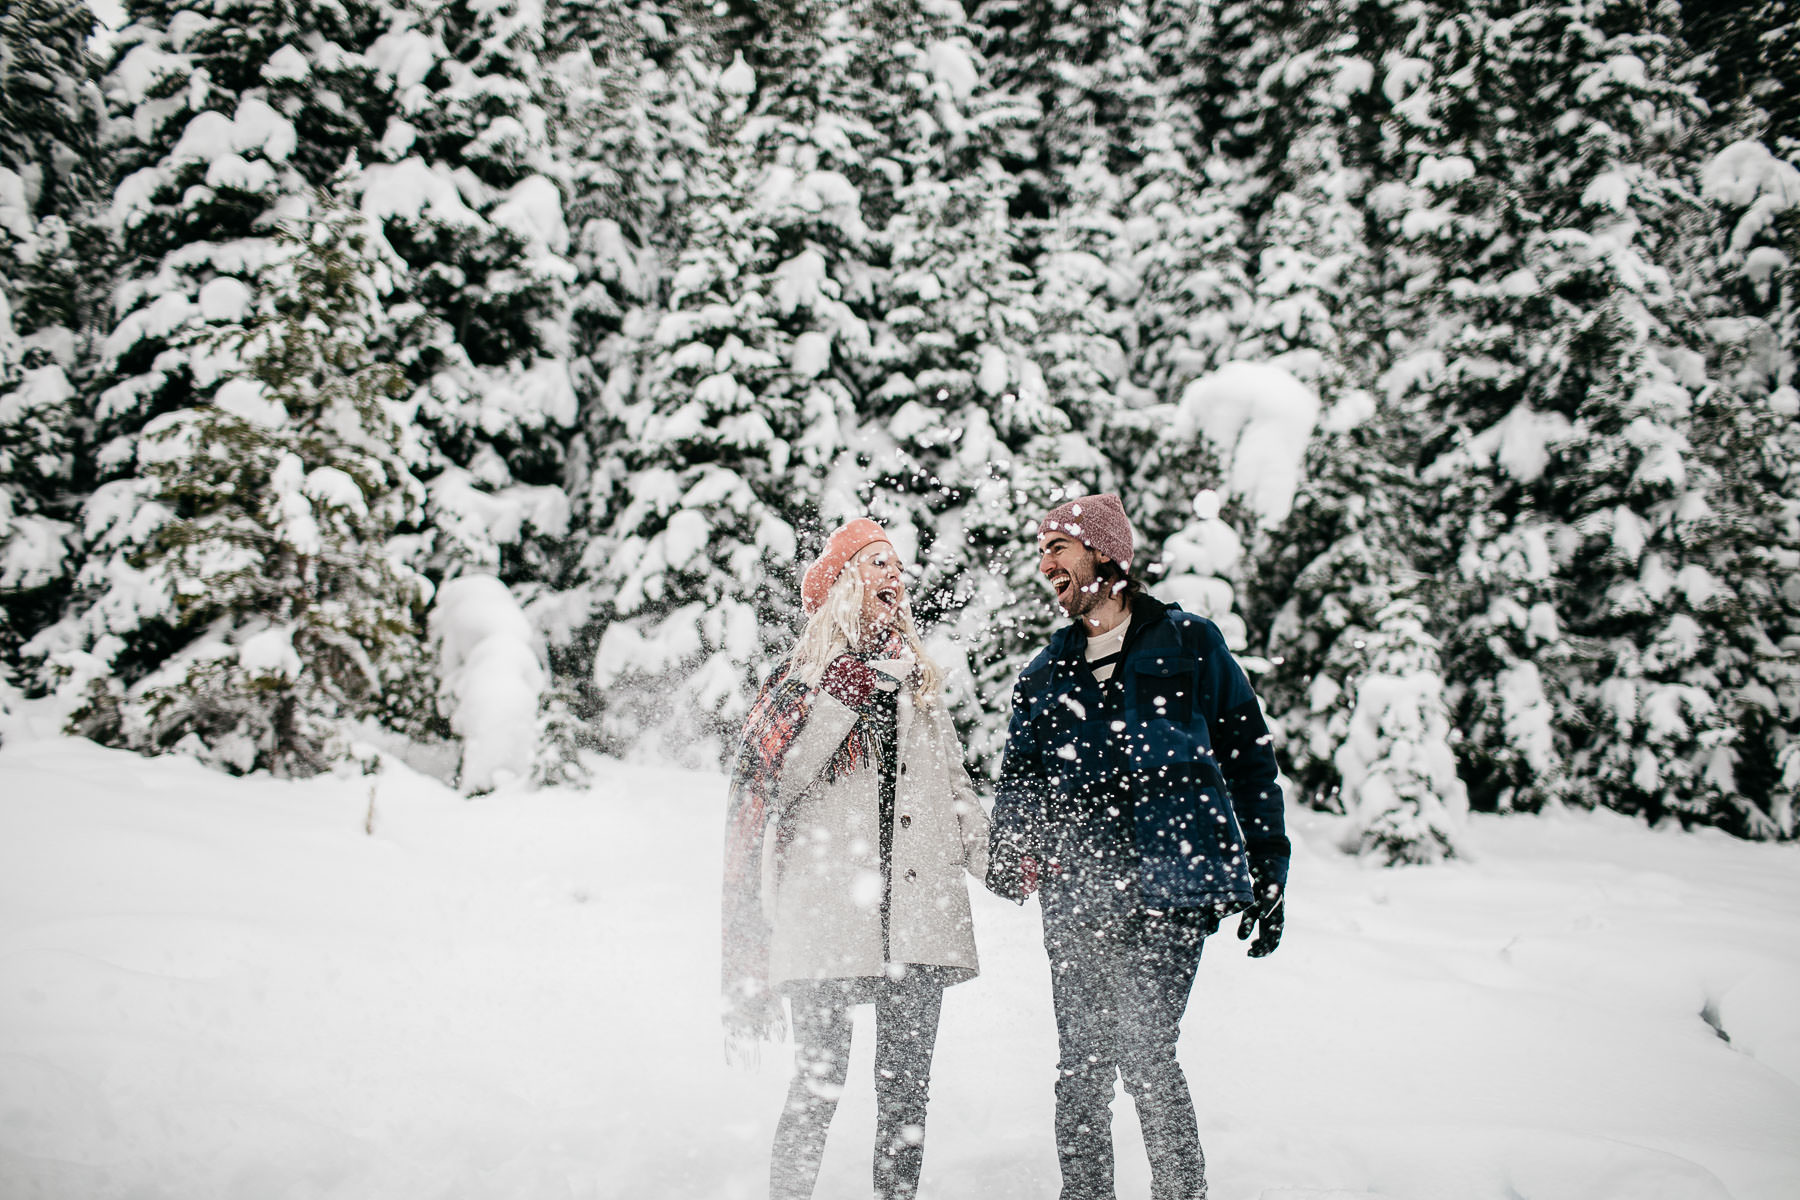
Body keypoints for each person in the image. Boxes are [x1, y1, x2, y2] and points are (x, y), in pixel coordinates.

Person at [985, 492, 1289, 1200]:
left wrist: (1268, 865)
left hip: (1173, 883)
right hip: (1079, 890)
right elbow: (1020, 781)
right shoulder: (1044, 675)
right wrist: (1010, 846)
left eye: (1057, 547)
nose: (1045, 564)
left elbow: (1249, 758)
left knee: (1147, 1052)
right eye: (1040, 552)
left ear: (1104, 553)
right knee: (1082, 1067)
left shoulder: (1189, 643)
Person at [723, 517, 990, 1200]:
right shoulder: (803, 680)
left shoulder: (918, 685)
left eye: (896, 565)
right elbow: (774, 788)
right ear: (843, 583)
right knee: (817, 1087)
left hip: (916, 916)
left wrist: (1000, 863)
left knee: (906, 1100)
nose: (893, 575)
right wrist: (841, 700)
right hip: (827, 918)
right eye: (876, 563)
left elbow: (955, 792)